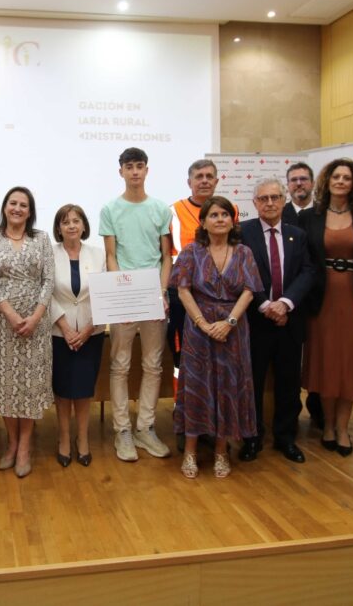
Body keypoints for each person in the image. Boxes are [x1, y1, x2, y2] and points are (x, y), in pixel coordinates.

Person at [171, 196, 262, 478]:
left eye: (225, 214)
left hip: (233, 329)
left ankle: (222, 451)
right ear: (203, 222)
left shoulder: (244, 252)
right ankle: (190, 451)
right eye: (214, 215)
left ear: (232, 219)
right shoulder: (190, 251)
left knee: (227, 388)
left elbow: (249, 290)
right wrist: (201, 322)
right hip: (198, 328)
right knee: (197, 387)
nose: (220, 219)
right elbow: (183, 289)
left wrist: (229, 322)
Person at [298, 158, 353, 456]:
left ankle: (344, 429)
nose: (341, 181)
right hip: (321, 300)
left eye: (347, 177)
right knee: (326, 364)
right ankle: (328, 426)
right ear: (327, 181)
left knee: (350, 365)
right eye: (336, 176)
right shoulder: (310, 217)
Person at [100, 147, 173, 462]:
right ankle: (123, 431)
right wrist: (120, 293)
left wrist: (161, 292)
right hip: (124, 298)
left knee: (153, 365)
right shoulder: (110, 210)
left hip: (154, 297)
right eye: (128, 167)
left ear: (146, 170)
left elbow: (166, 257)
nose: (134, 172)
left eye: (139, 166)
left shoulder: (160, 209)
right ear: (121, 172)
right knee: (119, 365)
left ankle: (145, 427)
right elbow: (111, 255)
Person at [0, 187, 55, 478]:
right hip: (1, 324)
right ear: (5, 207)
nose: (17, 209)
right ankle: (11, 443)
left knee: (30, 385)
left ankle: (25, 446)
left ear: (30, 211)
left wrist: (35, 316)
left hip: (36, 324)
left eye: (24, 205)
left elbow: (49, 279)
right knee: (7, 383)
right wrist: (10, 313)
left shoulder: (42, 239)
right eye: (13, 203)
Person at [239, 179, 316, 464]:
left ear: (284, 200)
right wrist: (265, 305)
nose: (270, 203)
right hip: (255, 322)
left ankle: (286, 438)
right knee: (252, 384)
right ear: (255, 203)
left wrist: (285, 304)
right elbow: (240, 274)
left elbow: (308, 272)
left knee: (288, 384)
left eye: (275, 197)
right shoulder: (243, 233)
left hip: (290, 321)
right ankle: (252, 437)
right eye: (263, 198)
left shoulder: (298, 234)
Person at [49, 204, 106, 467]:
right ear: (58, 229)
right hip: (59, 334)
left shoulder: (99, 254)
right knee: (62, 390)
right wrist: (66, 328)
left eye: (76, 220)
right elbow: (45, 294)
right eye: (65, 222)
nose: (71, 225)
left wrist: (86, 329)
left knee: (83, 389)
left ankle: (82, 439)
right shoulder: (49, 254)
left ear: (84, 225)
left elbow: (104, 294)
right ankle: (63, 438)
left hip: (90, 332)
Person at [168, 160, 231, 396]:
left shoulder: (229, 209)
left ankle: (214, 413)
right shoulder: (173, 211)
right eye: (199, 176)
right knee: (183, 356)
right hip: (182, 295)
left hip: (220, 297)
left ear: (216, 181)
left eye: (209, 176)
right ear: (189, 182)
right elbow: (165, 254)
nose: (204, 180)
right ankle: (183, 410)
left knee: (217, 356)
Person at [281, 161, 323, 430]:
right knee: (289, 365)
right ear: (288, 185)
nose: (299, 184)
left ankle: (319, 412)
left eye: (304, 179)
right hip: (285, 301)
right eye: (294, 180)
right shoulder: (277, 212)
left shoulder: (326, 214)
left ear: (312, 183)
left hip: (320, 298)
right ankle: (290, 417)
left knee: (320, 357)